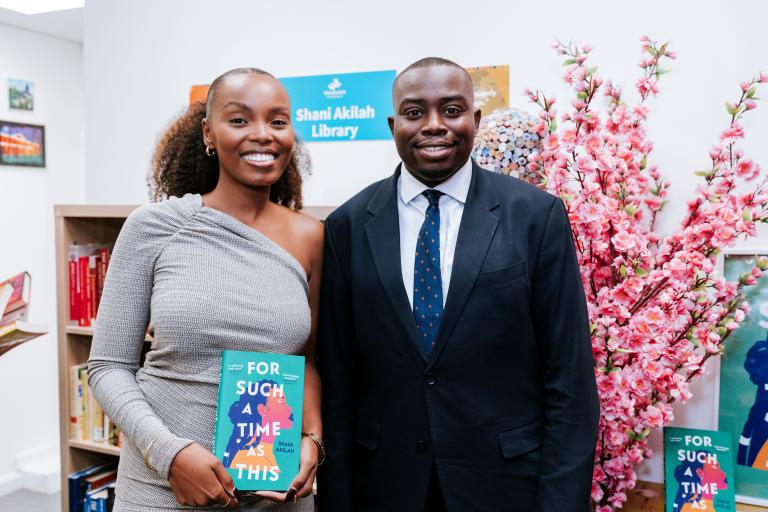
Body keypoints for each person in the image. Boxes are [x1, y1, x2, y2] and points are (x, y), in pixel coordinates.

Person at [317, 57, 600, 511]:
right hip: (385, 489)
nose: (434, 125)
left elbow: (570, 381)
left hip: (505, 489)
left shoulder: (535, 217)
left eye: (451, 110)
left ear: (476, 120)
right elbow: (338, 382)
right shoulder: (347, 226)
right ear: (393, 125)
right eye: (414, 112)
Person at [88, 68, 324, 511]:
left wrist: (312, 439)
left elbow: (307, 361)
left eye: (277, 121)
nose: (262, 134)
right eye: (239, 120)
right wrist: (170, 455)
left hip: (275, 493)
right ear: (208, 134)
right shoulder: (154, 227)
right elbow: (107, 366)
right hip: (161, 487)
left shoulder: (312, 237)